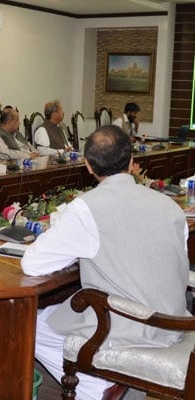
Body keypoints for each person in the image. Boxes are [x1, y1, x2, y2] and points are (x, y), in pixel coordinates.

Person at [22, 125, 189, 400]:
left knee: (32, 326)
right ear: (131, 162)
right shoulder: (170, 206)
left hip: (127, 324)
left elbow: (33, 264)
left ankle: (93, 388)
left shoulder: (87, 208)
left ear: (88, 166)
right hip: (173, 320)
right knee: (59, 312)